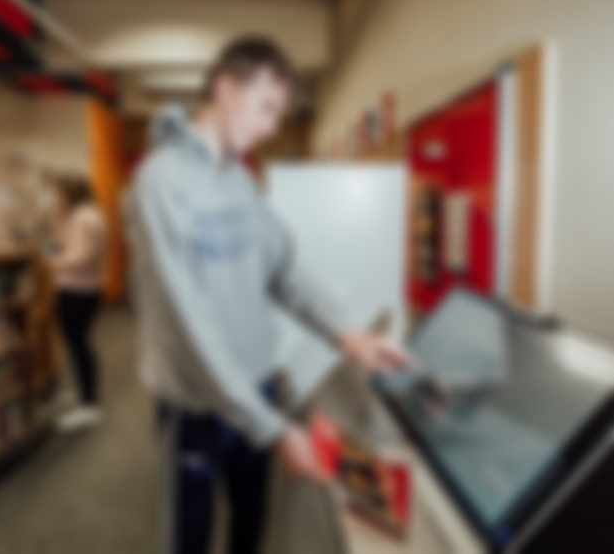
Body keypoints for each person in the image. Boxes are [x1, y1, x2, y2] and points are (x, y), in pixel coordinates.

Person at [126, 36, 412, 554]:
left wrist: (345, 333)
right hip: (195, 405)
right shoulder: (158, 182)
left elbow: (286, 268)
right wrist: (275, 431)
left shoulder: (239, 179)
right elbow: (189, 325)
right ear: (226, 89)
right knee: (187, 541)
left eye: (279, 114)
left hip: (255, 390)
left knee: (251, 530)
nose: (272, 127)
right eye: (267, 108)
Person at [50, 176, 108, 431]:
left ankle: (89, 405)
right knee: (80, 344)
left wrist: (51, 260)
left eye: (61, 194)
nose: (58, 199)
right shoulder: (93, 215)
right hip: (88, 288)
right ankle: (87, 395)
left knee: (79, 345)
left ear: (71, 194)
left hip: (76, 289)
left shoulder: (82, 218)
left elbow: (81, 257)